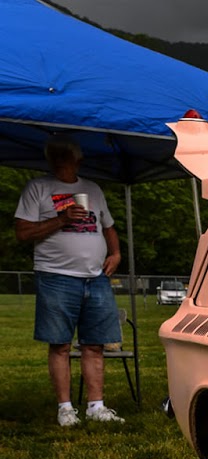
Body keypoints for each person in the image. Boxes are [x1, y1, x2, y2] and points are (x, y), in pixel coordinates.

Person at [13, 136, 124, 426]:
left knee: (95, 344)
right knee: (60, 344)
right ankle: (65, 409)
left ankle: (96, 407)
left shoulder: (93, 189)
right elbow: (23, 233)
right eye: (56, 154)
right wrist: (61, 220)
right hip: (56, 277)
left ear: (78, 159)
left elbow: (108, 225)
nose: (61, 159)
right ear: (50, 159)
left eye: (66, 154)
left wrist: (116, 253)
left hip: (97, 277)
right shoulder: (38, 187)